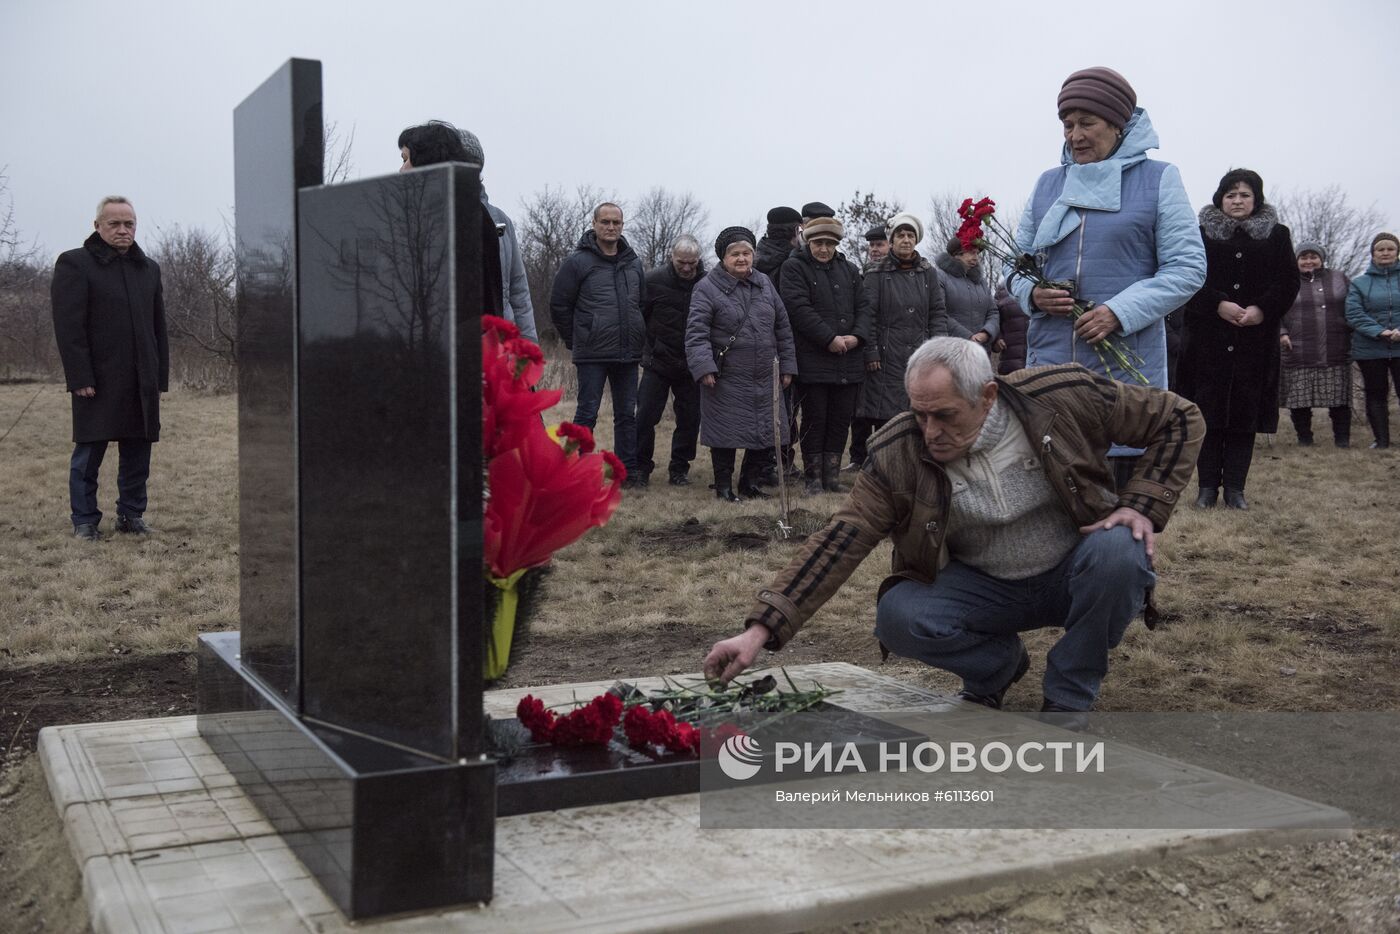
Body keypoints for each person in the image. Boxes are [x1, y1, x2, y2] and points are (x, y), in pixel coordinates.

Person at [704, 338, 1203, 712]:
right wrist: (758, 631)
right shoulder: (898, 452)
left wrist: (1142, 503)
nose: (930, 433)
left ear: (987, 396)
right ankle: (997, 668)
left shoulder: (1063, 396)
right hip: (983, 589)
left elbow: (1180, 417)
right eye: (919, 415)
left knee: (1122, 550)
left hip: (1075, 571)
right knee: (900, 614)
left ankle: (1069, 695)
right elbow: (841, 538)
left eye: (944, 416)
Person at [1008, 66, 1205, 492]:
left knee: (1117, 509)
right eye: (1067, 124)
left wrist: (1118, 311)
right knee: (1051, 510)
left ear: (1118, 124)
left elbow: (1187, 267)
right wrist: (1033, 293)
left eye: (1086, 123)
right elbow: (1012, 265)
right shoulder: (1048, 185)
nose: (1074, 135)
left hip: (1123, 371)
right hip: (1051, 365)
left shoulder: (1158, 179)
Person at [1177, 169, 1298, 509]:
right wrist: (1217, 303)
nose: (1237, 200)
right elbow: (1186, 278)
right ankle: (1205, 490)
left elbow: (1288, 282)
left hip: (1255, 341)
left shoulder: (1276, 236)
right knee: (1208, 414)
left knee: (1244, 417)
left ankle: (1235, 490)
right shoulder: (1199, 235)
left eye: (1245, 194)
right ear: (1220, 199)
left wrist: (1262, 309)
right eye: (1231, 195)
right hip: (1207, 340)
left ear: (1256, 199)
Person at [51, 196, 169, 541]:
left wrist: (158, 377)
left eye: (128, 223)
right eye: (114, 223)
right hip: (97, 380)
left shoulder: (148, 268)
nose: (122, 230)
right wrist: (79, 377)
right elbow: (69, 328)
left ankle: (131, 515)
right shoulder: (75, 264)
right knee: (88, 455)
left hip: (140, 378)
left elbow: (157, 327)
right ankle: (84, 520)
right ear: (97, 226)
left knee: (138, 452)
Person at [685, 227, 797, 501]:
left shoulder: (765, 283)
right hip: (726, 375)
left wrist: (787, 366)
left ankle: (750, 484)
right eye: (735, 253)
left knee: (765, 430)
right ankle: (724, 487)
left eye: (747, 252)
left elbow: (782, 327)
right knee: (725, 432)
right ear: (723, 257)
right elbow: (696, 332)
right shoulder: (706, 288)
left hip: (764, 373)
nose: (741, 258)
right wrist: (704, 367)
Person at [550, 202, 646, 483]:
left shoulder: (633, 262)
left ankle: (626, 471)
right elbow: (559, 305)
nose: (611, 227)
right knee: (587, 412)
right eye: (605, 222)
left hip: (627, 352)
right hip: (592, 352)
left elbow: (640, 303)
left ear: (622, 225)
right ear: (594, 224)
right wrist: (577, 338)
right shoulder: (577, 262)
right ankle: (577, 470)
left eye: (616, 222)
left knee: (627, 414)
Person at [781, 215, 872, 494]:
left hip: (848, 359)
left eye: (830, 243)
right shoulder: (794, 268)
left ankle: (831, 479)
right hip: (813, 359)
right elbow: (798, 309)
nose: (824, 249)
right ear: (809, 241)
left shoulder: (850, 270)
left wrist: (857, 336)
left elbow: (865, 307)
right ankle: (813, 480)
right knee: (815, 418)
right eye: (819, 242)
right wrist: (828, 338)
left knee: (839, 420)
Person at [851, 213, 947, 465]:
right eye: (900, 236)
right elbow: (868, 315)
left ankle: (912, 459)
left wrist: (938, 351)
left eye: (910, 235)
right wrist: (870, 350)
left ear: (916, 240)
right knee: (885, 408)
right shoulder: (876, 272)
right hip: (886, 352)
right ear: (891, 241)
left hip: (919, 352)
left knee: (917, 406)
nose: (906, 240)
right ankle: (880, 460)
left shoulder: (928, 273)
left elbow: (937, 312)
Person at [395, 120, 506, 319]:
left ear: (426, 161)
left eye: (405, 159)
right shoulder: (416, 215)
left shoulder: (466, 215)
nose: (401, 170)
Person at [636, 235, 704, 486]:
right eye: (681, 263)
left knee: (689, 418)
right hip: (657, 361)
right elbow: (639, 318)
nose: (687, 268)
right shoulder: (652, 281)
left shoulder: (706, 284)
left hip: (692, 364)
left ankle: (679, 469)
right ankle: (641, 467)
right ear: (671, 258)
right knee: (645, 416)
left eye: (692, 263)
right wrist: (646, 348)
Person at [1279, 241, 1352, 448]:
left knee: (1340, 398)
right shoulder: (1286, 281)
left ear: (1321, 259)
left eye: (1313, 257)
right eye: (1304, 257)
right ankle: (1305, 439)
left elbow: (1354, 306)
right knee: (1299, 400)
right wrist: (1282, 333)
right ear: (1296, 260)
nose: (1309, 261)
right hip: (1297, 349)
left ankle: (1342, 440)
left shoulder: (1339, 278)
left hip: (1335, 347)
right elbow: (1274, 310)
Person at [1345, 232, 1400, 449]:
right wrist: (1380, 332)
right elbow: (1354, 313)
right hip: (1370, 348)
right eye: (1380, 249)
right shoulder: (1359, 283)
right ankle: (1381, 441)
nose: (1385, 253)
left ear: (1397, 252)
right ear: (1373, 254)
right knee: (1376, 394)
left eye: (1390, 249)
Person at [937, 239, 1000, 348]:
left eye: (977, 253)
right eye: (971, 252)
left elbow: (993, 312)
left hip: (981, 351)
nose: (976, 257)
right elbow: (938, 314)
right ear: (957, 254)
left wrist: (986, 333)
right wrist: (968, 337)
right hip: (952, 350)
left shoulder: (981, 282)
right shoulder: (940, 277)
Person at [994, 285, 1028, 374]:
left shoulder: (1044, 282)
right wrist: (997, 338)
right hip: (1010, 358)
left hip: (1041, 359)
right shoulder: (1002, 291)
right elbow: (993, 318)